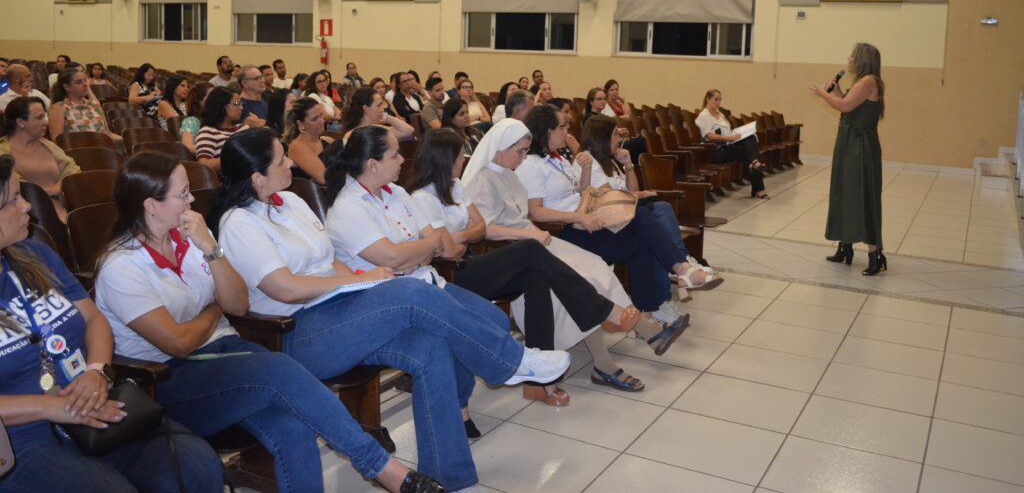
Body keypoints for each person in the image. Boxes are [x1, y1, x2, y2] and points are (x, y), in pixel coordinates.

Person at [214, 128, 569, 491]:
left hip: (338, 310)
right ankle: (510, 361)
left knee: (430, 347)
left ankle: (451, 475)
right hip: (295, 331)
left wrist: (359, 282)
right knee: (411, 290)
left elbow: (329, 259)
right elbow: (285, 288)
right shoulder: (239, 223)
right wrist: (356, 282)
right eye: (281, 160)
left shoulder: (291, 202)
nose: (291, 162)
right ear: (257, 177)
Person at [94, 152, 442, 493]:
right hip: (169, 379)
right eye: (182, 194)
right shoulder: (121, 266)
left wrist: (210, 248)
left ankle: (380, 470)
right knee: (279, 369)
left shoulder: (192, 238)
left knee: (292, 425)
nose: (192, 201)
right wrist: (213, 310)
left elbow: (236, 303)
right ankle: (381, 468)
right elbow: (179, 343)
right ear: (151, 205)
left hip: (226, 350)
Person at [0, 153, 226, 493]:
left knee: (195, 464)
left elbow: (94, 319)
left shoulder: (36, 255)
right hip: (20, 438)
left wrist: (97, 371)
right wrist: (55, 407)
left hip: (93, 398)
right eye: (13, 199)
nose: (27, 206)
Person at [408, 128, 642, 404]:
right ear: (443, 159)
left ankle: (538, 383)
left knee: (536, 276)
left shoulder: (455, 186)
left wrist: (459, 237)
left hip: (468, 261)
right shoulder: (423, 197)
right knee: (531, 248)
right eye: (459, 156)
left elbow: (479, 227)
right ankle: (604, 310)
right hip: (449, 277)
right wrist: (463, 238)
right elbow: (449, 250)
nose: (463, 161)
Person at [462, 119, 690, 392]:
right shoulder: (482, 180)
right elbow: (485, 229)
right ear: (500, 148)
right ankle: (612, 356)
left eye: (526, 151)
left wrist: (534, 232)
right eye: (520, 151)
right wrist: (530, 234)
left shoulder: (509, 174)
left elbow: (523, 216)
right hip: (514, 251)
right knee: (580, 280)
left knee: (595, 266)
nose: (523, 157)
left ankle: (635, 334)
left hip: (534, 240)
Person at [520, 104, 710, 313]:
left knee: (642, 240)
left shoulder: (559, 160)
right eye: (563, 127)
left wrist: (585, 170)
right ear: (548, 130)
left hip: (587, 220)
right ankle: (682, 269)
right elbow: (535, 212)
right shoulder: (531, 165)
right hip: (565, 230)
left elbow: (582, 193)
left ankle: (650, 311)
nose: (567, 132)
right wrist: (579, 217)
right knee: (642, 216)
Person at [578, 115, 721, 300]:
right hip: (607, 220)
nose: (619, 139)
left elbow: (631, 190)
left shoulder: (609, 160)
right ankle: (682, 266)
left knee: (659, 214)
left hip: (623, 212)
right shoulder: (589, 161)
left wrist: (628, 165)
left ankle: (678, 274)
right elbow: (612, 198)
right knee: (656, 216)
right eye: (615, 135)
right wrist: (642, 195)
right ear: (602, 137)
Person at [811, 42, 886, 275]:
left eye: (852, 56)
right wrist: (835, 91)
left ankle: (875, 255)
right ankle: (845, 247)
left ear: (862, 59)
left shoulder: (868, 82)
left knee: (862, 195)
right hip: (849, 143)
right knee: (844, 192)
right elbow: (849, 105)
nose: (849, 59)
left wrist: (824, 94)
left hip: (859, 146)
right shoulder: (863, 82)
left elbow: (844, 106)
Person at [0, 97, 81, 222]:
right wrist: (51, 190)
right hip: (29, 217)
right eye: (39, 118)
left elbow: (72, 169)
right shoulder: (2, 153)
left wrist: (62, 186)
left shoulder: (48, 145)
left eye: (45, 117)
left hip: (65, 210)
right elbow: (12, 189)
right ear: (21, 122)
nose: (46, 123)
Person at [696, 89, 768, 199]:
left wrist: (736, 135)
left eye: (720, 100)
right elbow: (710, 136)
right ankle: (758, 187)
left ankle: (755, 164)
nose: (718, 102)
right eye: (716, 99)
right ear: (708, 99)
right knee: (750, 154)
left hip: (728, 145)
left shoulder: (720, 114)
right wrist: (730, 138)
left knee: (750, 138)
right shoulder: (704, 115)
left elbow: (727, 131)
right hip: (716, 150)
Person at [48, 67, 115, 140]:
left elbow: (108, 134)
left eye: (85, 80)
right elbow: (57, 140)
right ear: (67, 87)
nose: (85, 84)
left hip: (103, 145)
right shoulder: (59, 108)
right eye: (79, 82)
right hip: (78, 147)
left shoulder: (93, 104)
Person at [194, 87, 248, 172]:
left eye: (241, 104)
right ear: (223, 106)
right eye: (236, 103)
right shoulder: (208, 132)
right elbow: (204, 165)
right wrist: (237, 157)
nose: (241, 108)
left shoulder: (244, 128)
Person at [285, 98, 334, 184]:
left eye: (321, 115)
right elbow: (324, 178)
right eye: (314, 119)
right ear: (301, 124)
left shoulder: (328, 140)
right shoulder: (296, 146)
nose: (321, 121)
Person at [342, 87, 414, 141]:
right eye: (378, 105)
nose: (382, 109)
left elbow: (408, 130)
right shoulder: (351, 135)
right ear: (366, 108)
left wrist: (385, 116)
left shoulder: (375, 129)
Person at [178, 82, 212, 155]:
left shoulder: (222, 119)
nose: (216, 100)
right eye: (211, 96)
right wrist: (213, 151)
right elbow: (188, 147)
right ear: (199, 100)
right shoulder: (192, 121)